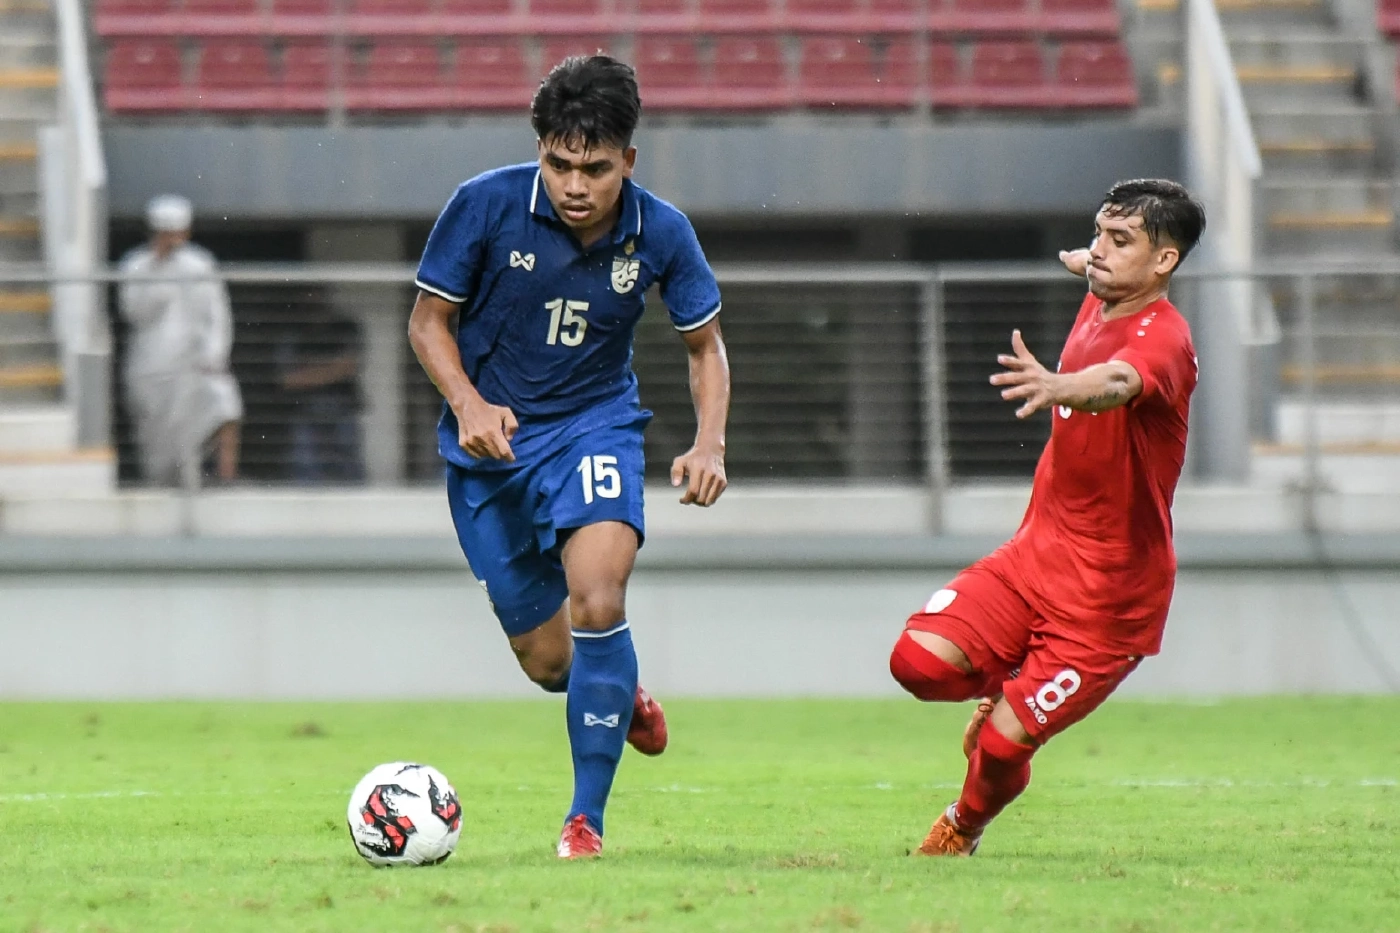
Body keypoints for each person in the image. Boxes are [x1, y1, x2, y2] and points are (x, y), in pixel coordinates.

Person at [407, 55, 730, 859]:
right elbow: (426, 323)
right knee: (549, 661)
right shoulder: (482, 206)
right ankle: (619, 695)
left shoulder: (662, 231)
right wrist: (470, 404)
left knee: (598, 599)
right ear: (539, 149)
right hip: (492, 452)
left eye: (594, 167)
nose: (574, 184)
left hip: (595, 426)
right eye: (558, 163)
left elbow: (705, 347)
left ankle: (584, 820)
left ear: (628, 157)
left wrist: (708, 440)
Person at [888, 179, 1206, 856]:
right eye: (1100, 232)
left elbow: (1119, 382)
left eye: (1121, 241)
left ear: (1165, 263)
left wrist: (1057, 386)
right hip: (1036, 556)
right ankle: (1005, 686)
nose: (1101, 250)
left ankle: (961, 827)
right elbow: (1088, 261)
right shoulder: (1104, 289)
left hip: (1109, 600)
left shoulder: (1166, 339)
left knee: (1004, 743)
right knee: (917, 662)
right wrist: (1084, 256)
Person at [118, 194, 242, 486]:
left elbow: (217, 313)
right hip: (152, 366)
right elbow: (133, 312)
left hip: (196, 362)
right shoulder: (136, 266)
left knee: (225, 406)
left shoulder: (199, 264)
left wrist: (216, 353)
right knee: (159, 443)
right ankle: (166, 485)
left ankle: (226, 477)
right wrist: (157, 269)